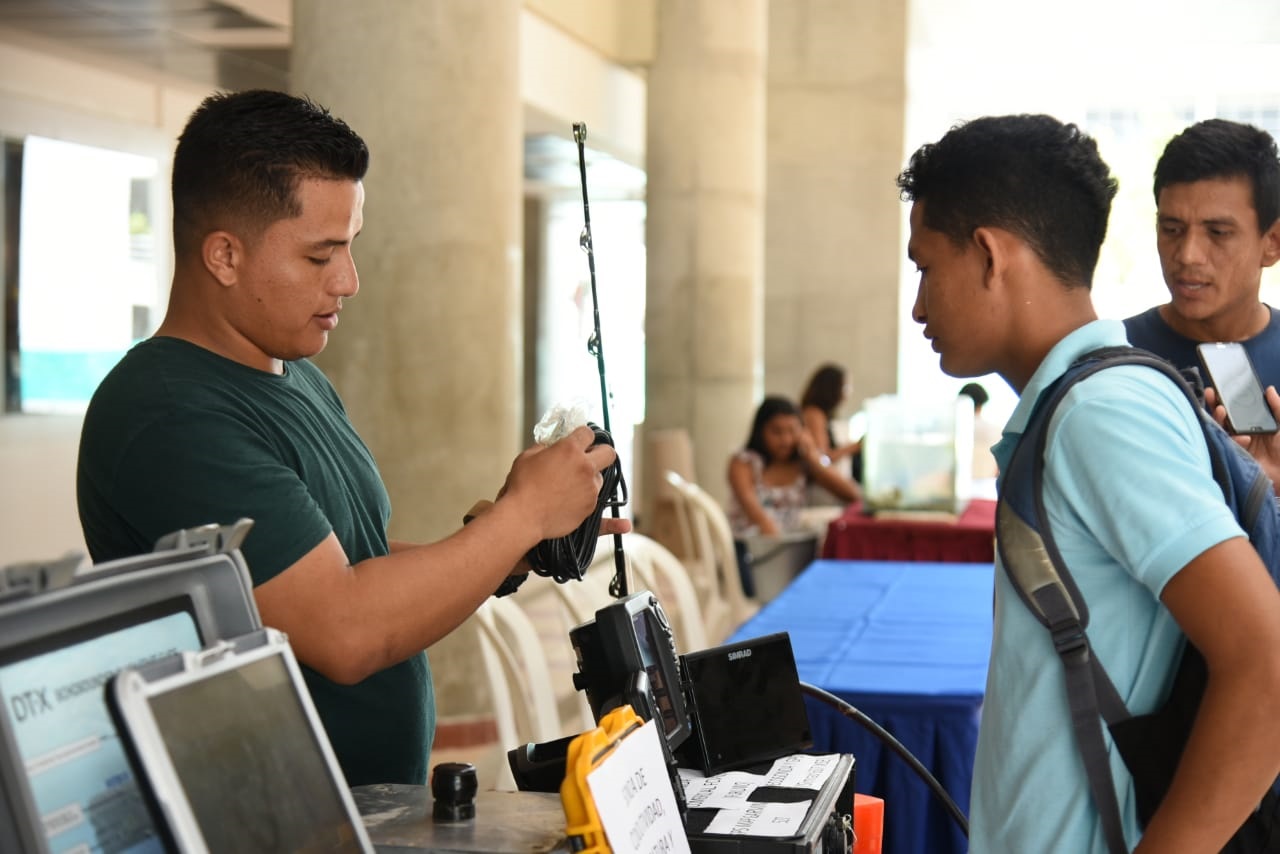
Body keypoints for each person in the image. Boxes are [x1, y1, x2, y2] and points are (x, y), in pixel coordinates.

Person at [76, 90, 626, 788]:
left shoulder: (292, 373)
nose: (349, 281)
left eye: (351, 246)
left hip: (364, 811)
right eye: (320, 256)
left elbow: (340, 559)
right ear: (223, 256)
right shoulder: (166, 414)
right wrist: (520, 514)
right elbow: (345, 629)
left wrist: (507, 543)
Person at [898, 113, 1280, 852]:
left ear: (987, 255)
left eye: (925, 265)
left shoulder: (1100, 413)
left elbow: (1267, 665)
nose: (918, 305)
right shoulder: (1081, 403)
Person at [1124, 119, 1280, 390]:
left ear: (1273, 243)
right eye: (1172, 229)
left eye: (1217, 232)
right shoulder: (1117, 359)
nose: (1188, 255)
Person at [726, 395, 860, 539]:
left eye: (792, 431)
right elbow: (758, 517)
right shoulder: (744, 462)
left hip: (793, 541)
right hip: (753, 544)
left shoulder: (803, 464)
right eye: (777, 432)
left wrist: (814, 457)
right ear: (760, 431)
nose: (786, 440)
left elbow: (853, 495)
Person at [799, 363, 862, 482]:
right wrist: (853, 447)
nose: (848, 392)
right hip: (821, 485)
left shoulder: (820, 414)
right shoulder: (814, 414)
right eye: (845, 387)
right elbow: (823, 458)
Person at [958, 381, 1000, 481]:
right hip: (988, 489)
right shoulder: (997, 431)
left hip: (961, 487)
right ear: (981, 404)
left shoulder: (957, 429)